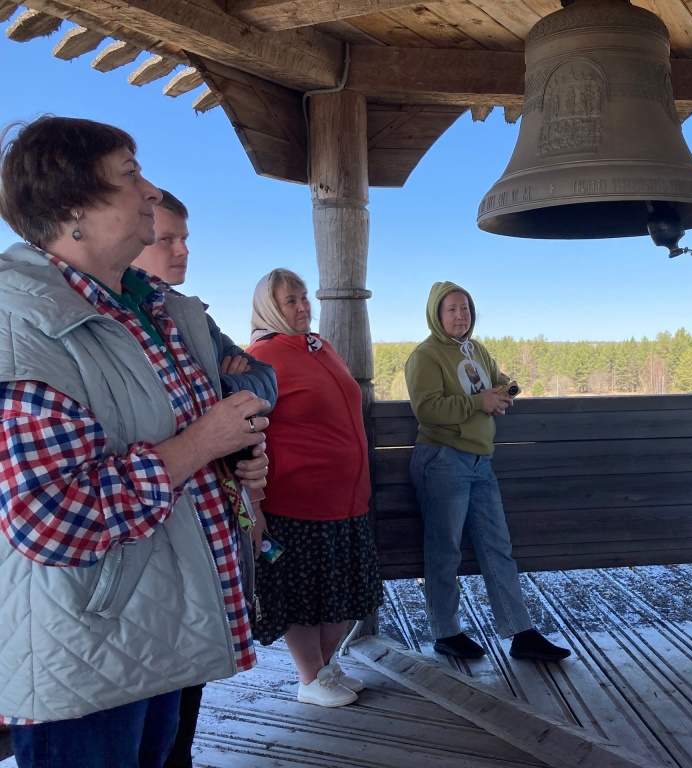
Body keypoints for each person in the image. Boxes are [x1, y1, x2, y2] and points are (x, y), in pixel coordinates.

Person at [0, 115, 271, 768]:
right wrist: (201, 445)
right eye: (130, 175)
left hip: (161, 629)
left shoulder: (160, 312)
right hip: (88, 648)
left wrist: (231, 461)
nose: (151, 191)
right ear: (72, 211)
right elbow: (52, 519)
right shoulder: (23, 328)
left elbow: (195, 423)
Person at [132, 189, 278, 768]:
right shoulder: (106, 321)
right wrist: (217, 413)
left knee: (182, 699)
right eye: (165, 238)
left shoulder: (189, 315)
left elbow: (264, 379)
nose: (182, 250)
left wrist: (225, 406)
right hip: (141, 551)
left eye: (185, 238)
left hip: (204, 541)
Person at [404, 282, 571, 662]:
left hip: (481, 460)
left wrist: (506, 390)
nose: (460, 315)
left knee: (498, 546)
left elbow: (496, 380)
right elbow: (428, 409)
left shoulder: (475, 350)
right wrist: (480, 401)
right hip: (443, 459)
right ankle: (446, 631)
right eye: (451, 309)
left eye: (465, 308)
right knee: (444, 548)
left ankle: (520, 631)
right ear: (436, 314)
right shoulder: (425, 356)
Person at [245, 268, 383, 708]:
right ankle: (310, 677)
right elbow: (248, 436)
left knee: (342, 591)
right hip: (295, 504)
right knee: (303, 596)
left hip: (346, 501)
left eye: (304, 297)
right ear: (271, 307)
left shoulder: (320, 345)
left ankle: (326, 669)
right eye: (290, 300)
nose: (303, 306)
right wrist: (254, 506)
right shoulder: (261, 358)